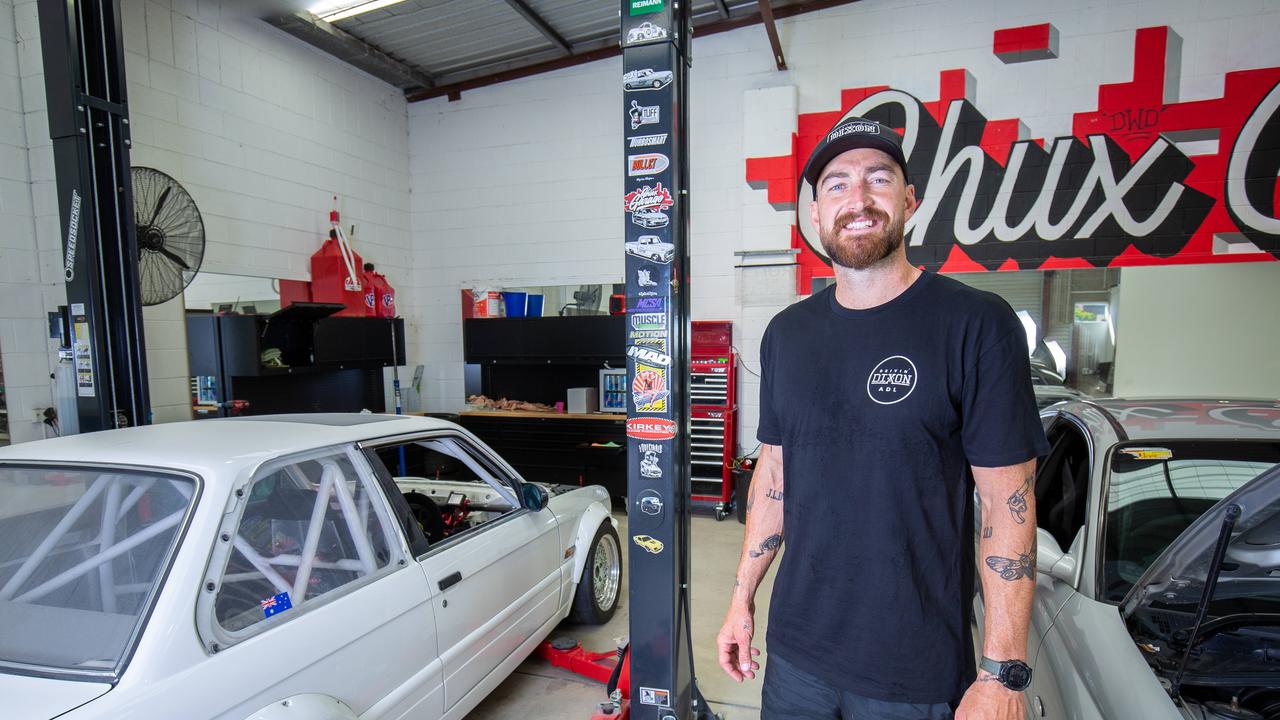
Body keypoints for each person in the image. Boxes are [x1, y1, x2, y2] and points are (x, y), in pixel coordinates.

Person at [716, 117, 1050, 720]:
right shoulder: (787, 335)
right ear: (815, 214)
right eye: (837, 184)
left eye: (878, 178)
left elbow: (1008, 505)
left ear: (909, 200)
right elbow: (775, 472)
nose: (858, 199)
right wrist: (741, 596)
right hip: (795, 660)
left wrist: (1003, 672)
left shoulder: (976, 326)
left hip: (913, 672)